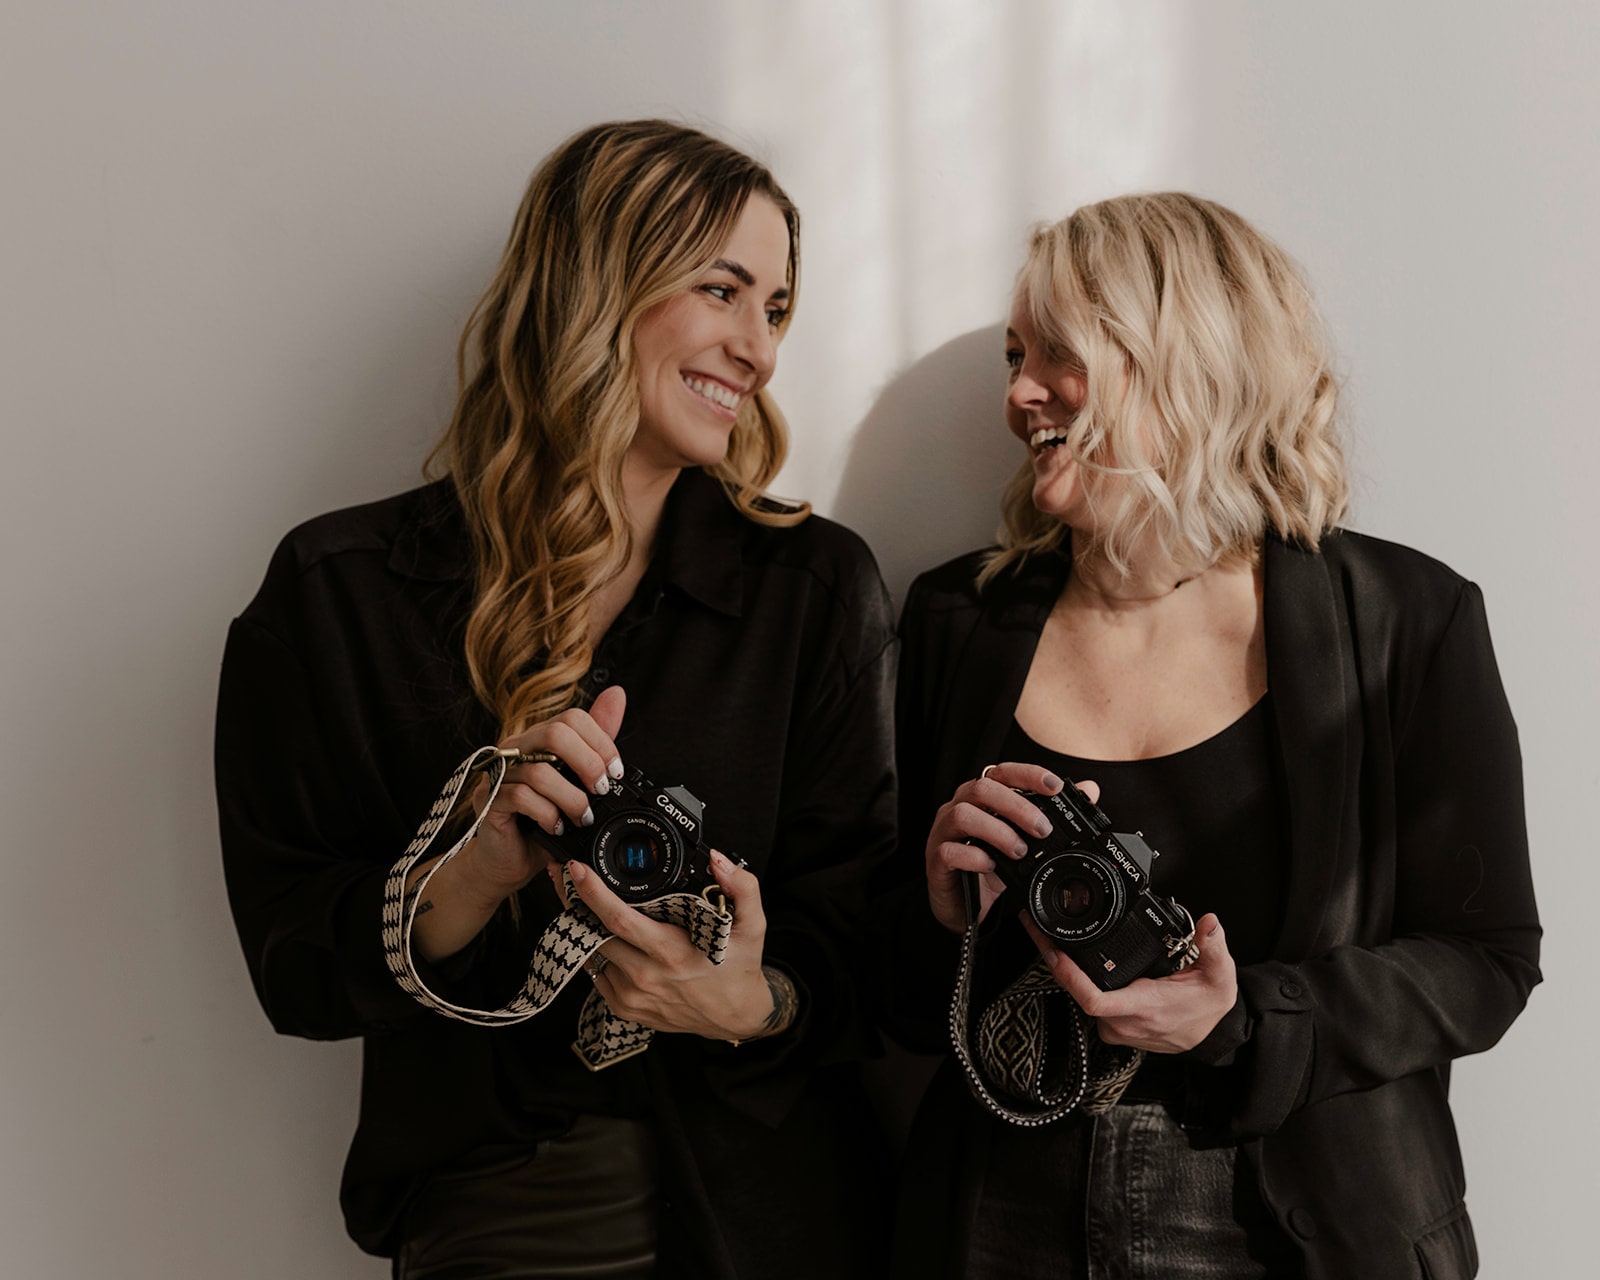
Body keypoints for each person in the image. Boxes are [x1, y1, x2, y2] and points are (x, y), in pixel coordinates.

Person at [215, 120, 896, 1279]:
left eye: (775, 308)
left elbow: (867, 934)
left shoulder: (810, 587)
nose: (758, 349)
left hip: (779, 1207)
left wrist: (747, 999)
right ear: (598, 285)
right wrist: (470, 870)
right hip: (502, 1210)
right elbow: (296, 964)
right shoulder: (342, 594)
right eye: (721, 289)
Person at [883, 193, 1540, 1279]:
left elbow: (1486, 961)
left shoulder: (1404, 617)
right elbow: (901, 1001)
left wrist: (1247, 1015)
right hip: (997, 1208)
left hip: (1291, 1218)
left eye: (1061, 355)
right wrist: (942, 904)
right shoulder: (958, 618)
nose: (1017, 394)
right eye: (1013, 356)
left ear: (1187, 356)